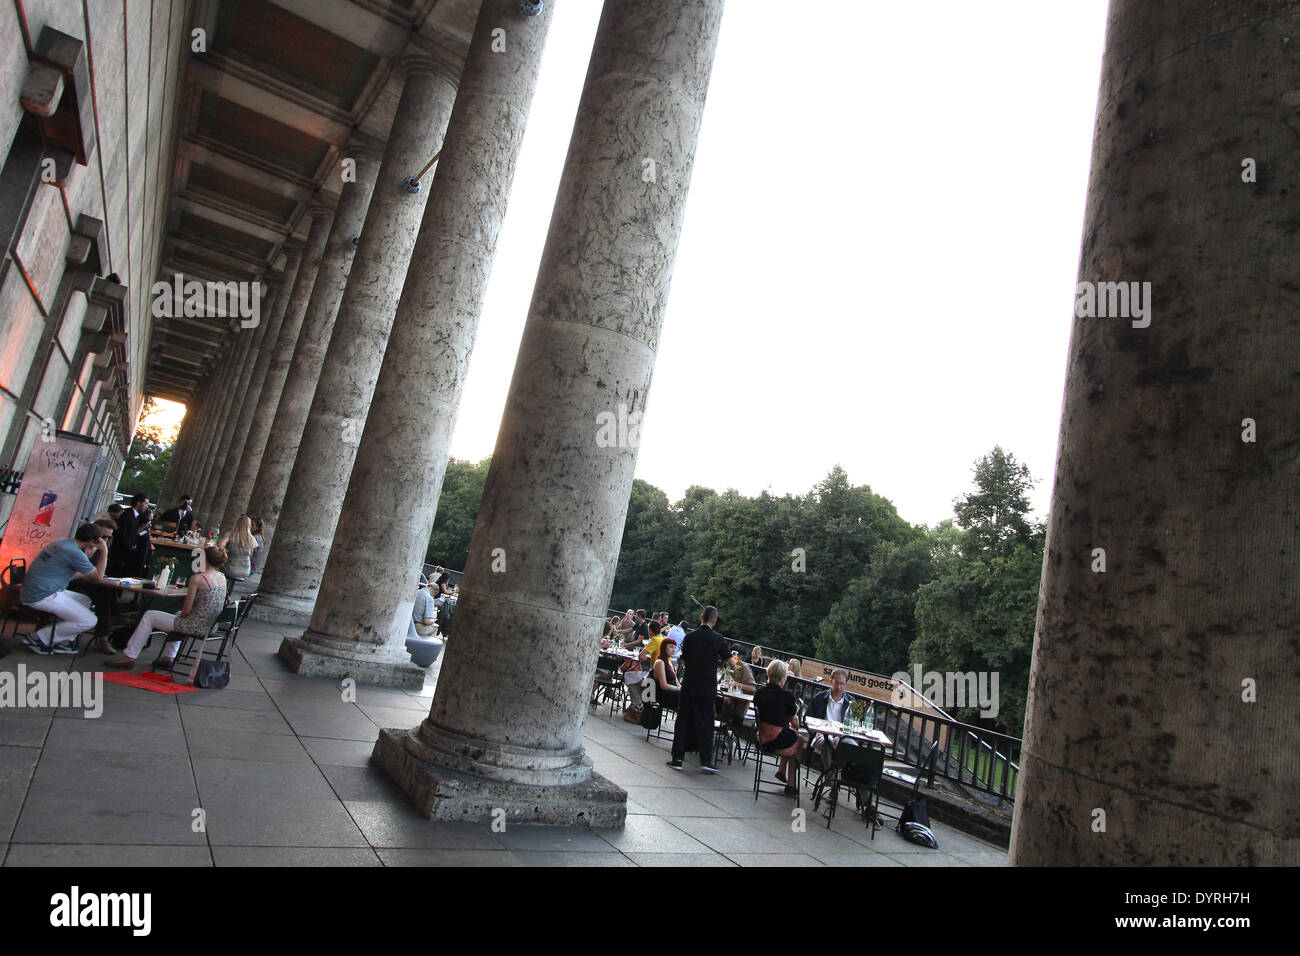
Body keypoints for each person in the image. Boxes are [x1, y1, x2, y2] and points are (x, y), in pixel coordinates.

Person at [106, 546, 229, 669]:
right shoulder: (222, 577)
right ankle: (168, 657)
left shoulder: (197, 578)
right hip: (211, 625)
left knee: (150, 615)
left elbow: (186, 611)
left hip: (194, 626)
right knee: (177, 613)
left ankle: (129, 656)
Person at [20, 523, 108, 654]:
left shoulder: (62, 543)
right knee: (90, 620)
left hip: (35, 589)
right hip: (42, 594)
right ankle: (38, 638)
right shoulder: (75, 553)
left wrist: (86, 574)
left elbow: (61, 570)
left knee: (84, 600)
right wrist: (104, 551)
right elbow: (98, 576)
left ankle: (61, 640)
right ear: (92, 541)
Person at [667, 606, 728, 773]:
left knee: (683, 720)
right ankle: (706, 759)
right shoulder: (719, 639)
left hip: (690, 683)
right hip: (708, 686)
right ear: (715, 620)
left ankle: (677, 758)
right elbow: (730, 661)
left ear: (701, 616)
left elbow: (684, 660)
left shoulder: (690, 637)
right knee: (706, 721)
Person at [754, 659, 804, 796]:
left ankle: (782, 771)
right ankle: (791, 784)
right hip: (778, 740)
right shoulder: (787, 697)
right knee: (798, 739)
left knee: (790, 735)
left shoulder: (759, 693)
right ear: (783, 678)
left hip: (761, 739)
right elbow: (795, 723)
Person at [806, 668, 859, 769]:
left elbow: (855, 724)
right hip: (821, 734)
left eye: (842, 684)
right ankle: (829, 774)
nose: (839, 687)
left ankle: (846, 775)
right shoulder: (819, 698)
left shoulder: (852, 702)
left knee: (854, 748)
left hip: (843, 736)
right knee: (827, 742)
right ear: (831, 682)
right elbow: (807, 718)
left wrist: (840, 736)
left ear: (846, 684)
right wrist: (815, 731)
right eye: (837, 683)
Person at [109, 493, 149, 575]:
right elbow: (121, 532)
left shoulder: (136, 516)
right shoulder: (127, 514)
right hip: (120, 554)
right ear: (138, 503)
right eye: (145, 503)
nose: (146, 506)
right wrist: (130, 545)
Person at [218, 515, 255, 586]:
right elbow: (251, 554)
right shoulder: (252, 538)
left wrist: (225, 552)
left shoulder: (231, 534)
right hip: (245, 570)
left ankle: (220, 588)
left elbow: (220, 545)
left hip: (230, 568)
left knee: (215, 565)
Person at [649, 635, 681, 712]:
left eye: (674, 647)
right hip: (663, 694)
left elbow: (677, 682)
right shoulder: (660, 662)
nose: (673, 650)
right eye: (671, 647)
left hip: (672, 692)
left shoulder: (669, 662)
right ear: (664, 648)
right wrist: (679, 689)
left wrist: (682, 688)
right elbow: (664, 685)